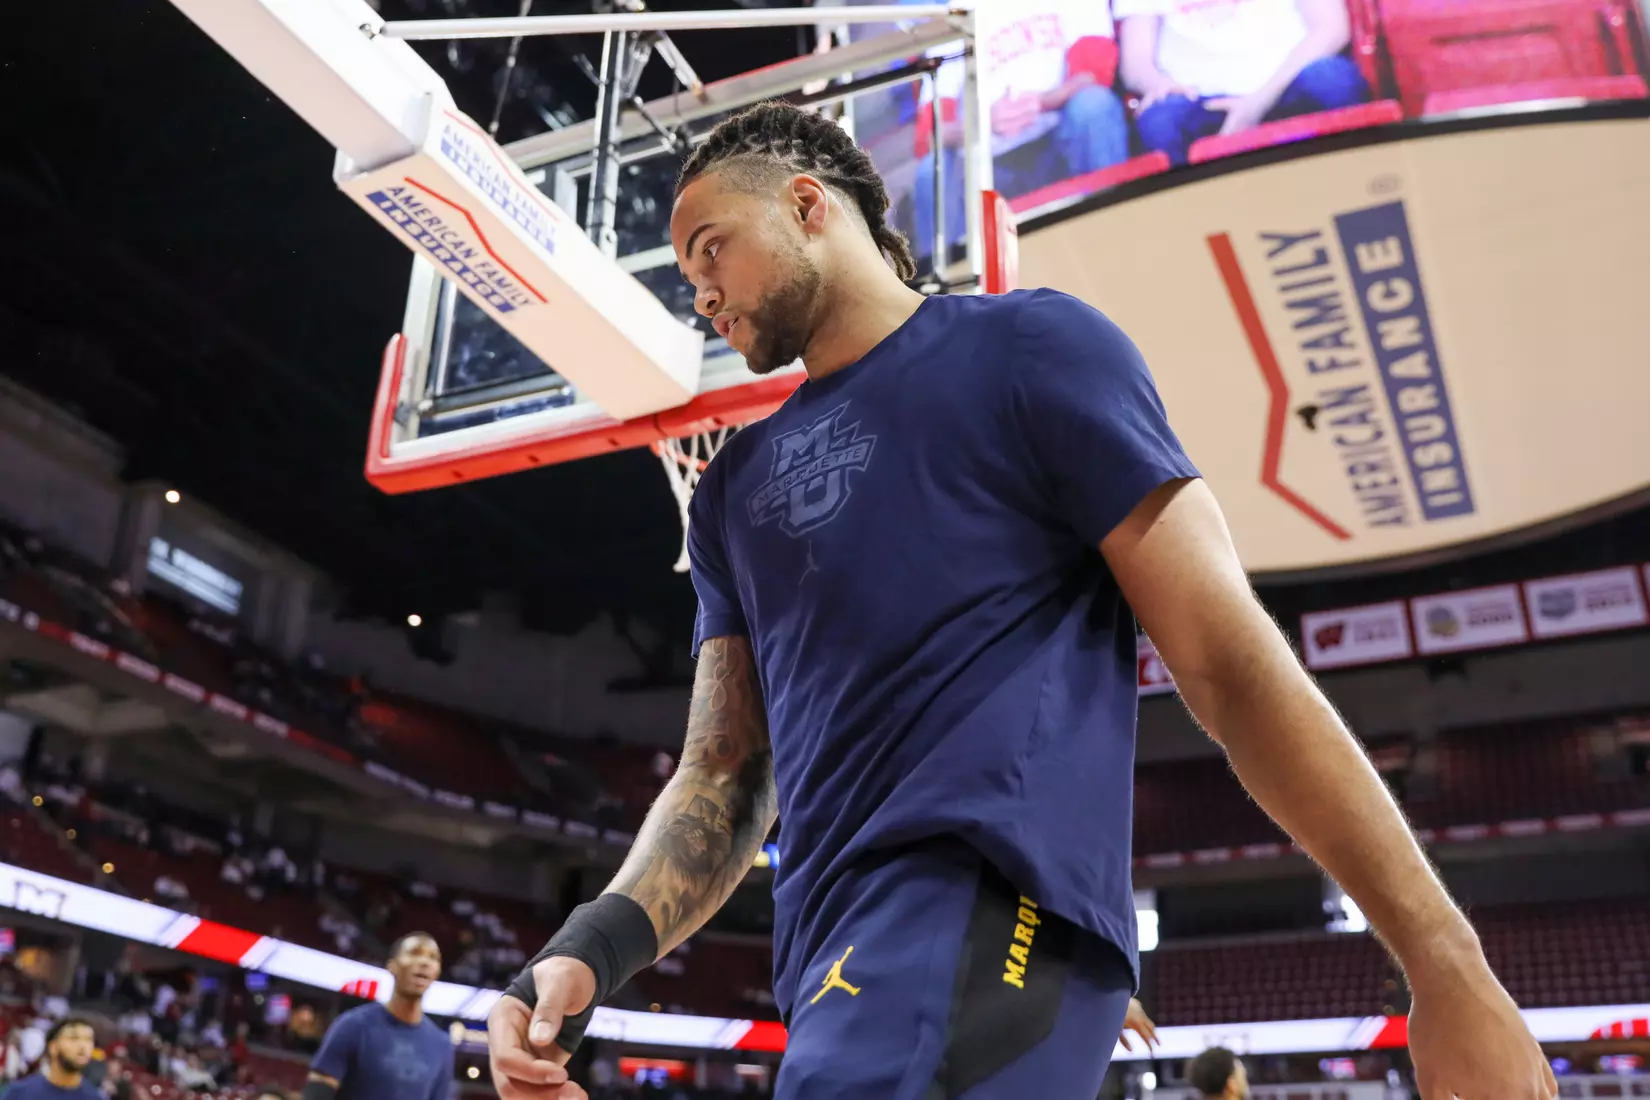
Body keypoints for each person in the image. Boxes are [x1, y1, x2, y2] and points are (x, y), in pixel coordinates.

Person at [487, 102, 1554, 1100]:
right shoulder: (728, 490)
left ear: (810, 204)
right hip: (833, 955)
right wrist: (594, 942)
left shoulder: (1033, 349)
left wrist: (1443, 957)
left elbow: (1230, 660)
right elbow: (725, 772)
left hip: (985, 905)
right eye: (685, 273)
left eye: (711, 246)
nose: (700, 291)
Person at [913, 0, 1129, 257]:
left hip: (1060, 133)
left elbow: (1094, 74)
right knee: (931, 171)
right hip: (989, 163)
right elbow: (930, 133)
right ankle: (953, 290)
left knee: (1094, 106)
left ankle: (1117, 235)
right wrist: (984, 122)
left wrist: (1041, 102)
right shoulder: (956, 14)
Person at [1115, 0, 1372, 165]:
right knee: (1160, 121)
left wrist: (1257, 102)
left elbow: (1331, 29)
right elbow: (1136, 62)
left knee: (1333, 81)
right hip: (1201, 102)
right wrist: (1157, 84)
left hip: (1287, 84)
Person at [303, 933, 453, 1100]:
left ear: (437, 972)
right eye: (414, 953)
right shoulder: (353, 1026)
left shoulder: (442, 1045)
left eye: (433, 958)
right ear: (392, 966)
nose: (424, 962)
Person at [6, 1017, 101, 1099]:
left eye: (88, 1039)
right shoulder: (20, 1093)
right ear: (53, 1047)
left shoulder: (95, 1097)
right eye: (73, 1038)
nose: (83, 1046)